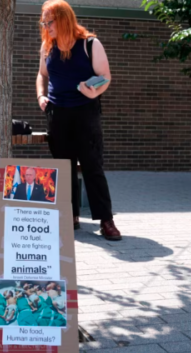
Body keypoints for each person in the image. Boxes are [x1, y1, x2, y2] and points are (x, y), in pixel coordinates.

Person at [36, 0, 122, 241]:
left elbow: (104, 76)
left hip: (86, 112)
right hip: (57, 113)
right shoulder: (47, 46)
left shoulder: (90, 44)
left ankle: (106, 221)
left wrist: (93, 90)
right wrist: (41, 96)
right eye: (43, 22)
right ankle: (69, 215)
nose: (45, 26)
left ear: (63, 19)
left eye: (48, 21)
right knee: (64, 168)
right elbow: (42, 75)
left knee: (92, 166)